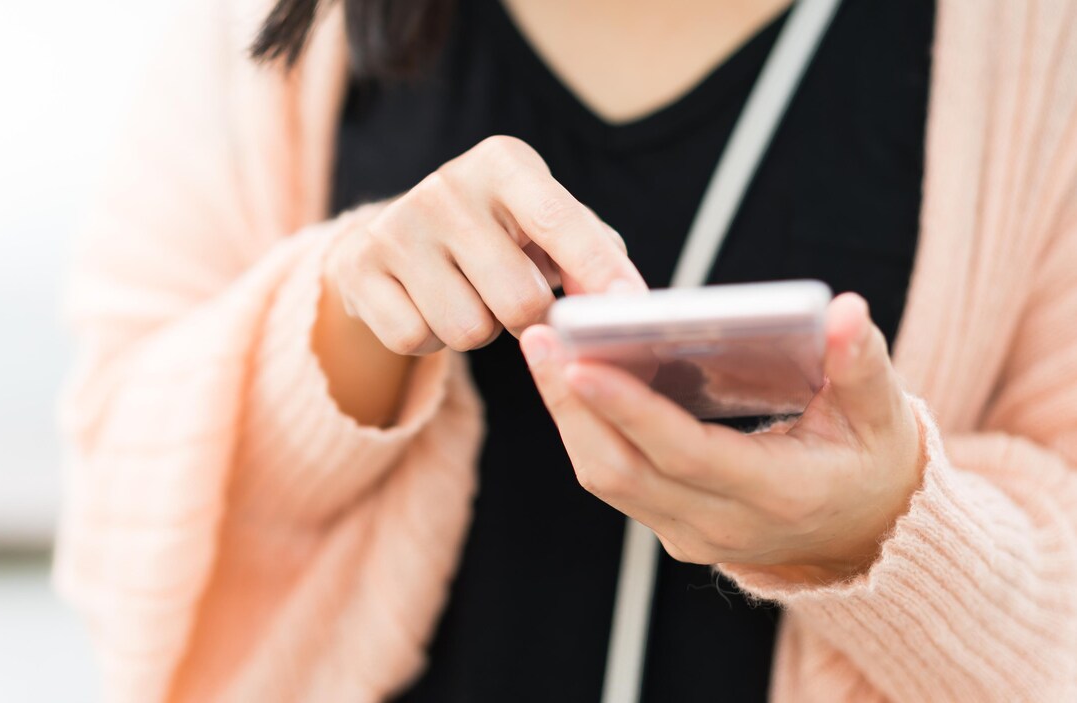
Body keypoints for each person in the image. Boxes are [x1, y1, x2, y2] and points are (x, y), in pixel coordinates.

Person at [53, 0, 1077, 700]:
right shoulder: (278, 30)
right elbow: (121, 514)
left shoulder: (1032, 47)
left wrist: (890, 531)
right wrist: (352, 317)